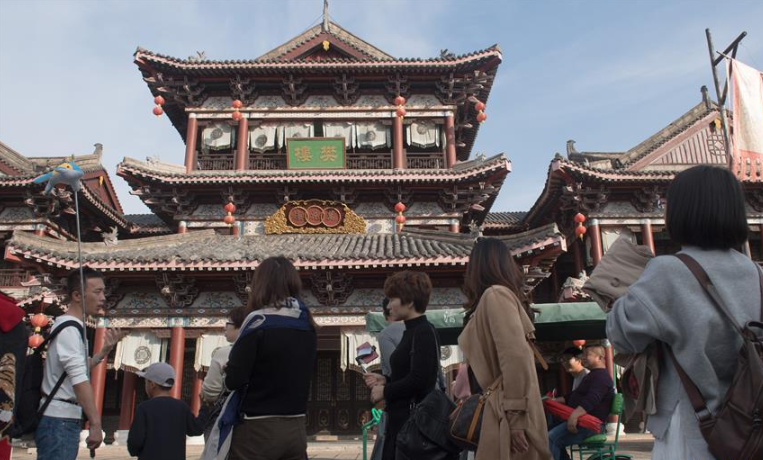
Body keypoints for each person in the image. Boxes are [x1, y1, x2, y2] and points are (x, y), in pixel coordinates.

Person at [606, 165, 760, 460]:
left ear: (681, 212)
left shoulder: (669, 271)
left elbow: (622, 336)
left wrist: (625, 291)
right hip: (752, 427)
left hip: (695, 428)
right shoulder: (757, 274)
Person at [458, 238, 550, 460]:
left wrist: (515, 417)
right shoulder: (497, 297)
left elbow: (515, 357)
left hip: (506, 413)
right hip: (503, 408)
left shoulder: (495, 295)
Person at [225, 256, 317, 460]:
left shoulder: (258, 322)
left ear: (260, 283)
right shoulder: (307, 324)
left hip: (257, 429)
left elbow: (234, 380)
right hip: (296, 427)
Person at [35, 267, 126, 460]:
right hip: (59, 419)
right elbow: (79, 379)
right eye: (97, 292)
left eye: (103, 291)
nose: (103, 297)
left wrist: (105, 351)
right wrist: (95, 423)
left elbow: (79, 369)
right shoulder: (69, 330)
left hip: (62, 418)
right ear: (77, 295)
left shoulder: (73, 327)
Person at [363, 271, 440, 460]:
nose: (388, 306)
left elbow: (420, 380)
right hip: (401, 423)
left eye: (392, 299)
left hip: (412, 427)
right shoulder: (410, 331)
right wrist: (385, 379)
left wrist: (385, 391)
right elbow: (410, 374)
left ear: (410, 301)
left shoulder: (423, 331)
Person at [127, 362, 207, 460]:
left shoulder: (143, 408)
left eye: (146, 382)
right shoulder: (182, 407)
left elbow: (134, 443)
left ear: (152, 384)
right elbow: (197, 429)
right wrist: (205, 406)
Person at [547, 345, 613, 460]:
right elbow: (573, 395)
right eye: (583, 355)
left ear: (599, 357)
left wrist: (574, 416)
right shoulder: (592, 375)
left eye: (588, 355)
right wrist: (554, 401)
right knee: (545, 434)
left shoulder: (601, 377)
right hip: (582, 421)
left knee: (551, 438)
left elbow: (592, 399)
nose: (583, 357)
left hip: (590, 424)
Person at [201, 306, 246, 440]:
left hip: (227, 415)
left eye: (228, 323)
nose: (224, 327)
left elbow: (211, 391)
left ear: (240, 326)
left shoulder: (224, 353)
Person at [378, 298, 405, 378]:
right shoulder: (418, 328)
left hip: (402, 383)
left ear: (384, 314)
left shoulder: (385, 334)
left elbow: (394, 368)